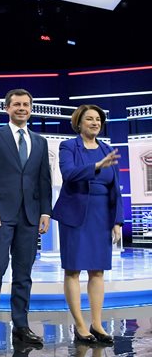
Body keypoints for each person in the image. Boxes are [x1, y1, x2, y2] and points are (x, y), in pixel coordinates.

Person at [0, 88, 52, 346]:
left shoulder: (40, 142)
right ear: (7, 108)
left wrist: (45, 211)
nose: (22, 108)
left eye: (26, 105)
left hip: (30, 216)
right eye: (17, 104)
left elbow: (44, 180)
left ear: (31, 109)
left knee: (23, 272)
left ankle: (21, 325)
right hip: (0, 213)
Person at [51, 104, 123, 344]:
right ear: (79, 123)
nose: (95, 123)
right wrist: (96, 166)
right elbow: (69, 174)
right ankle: (80, 326)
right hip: (76, 213)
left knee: (98, 271)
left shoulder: (107, 149)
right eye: (89, 119)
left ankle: (96, 323)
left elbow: (116, 189)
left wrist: (117, 221)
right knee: (73, 269)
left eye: (98, 120)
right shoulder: (68, 146)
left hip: (101, 215)